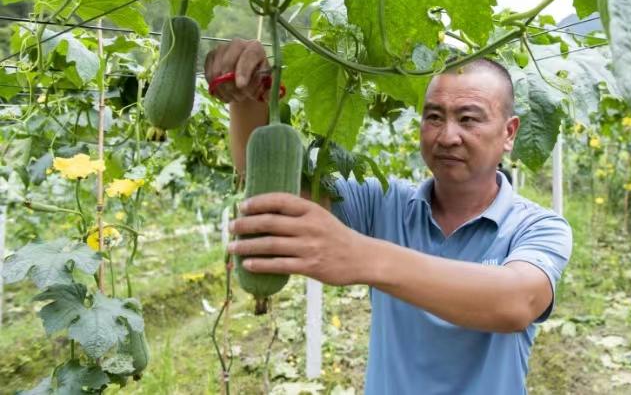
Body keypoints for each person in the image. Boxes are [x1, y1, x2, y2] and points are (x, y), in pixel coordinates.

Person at [204, 40, 573, 395]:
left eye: (468, 119)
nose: (447, 136)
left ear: (509, 133)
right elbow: (274, 187)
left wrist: (363, 256)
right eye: (433, 117)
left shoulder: (537, 226)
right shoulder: (383, 204)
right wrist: (248, 95)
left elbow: (516, 303)